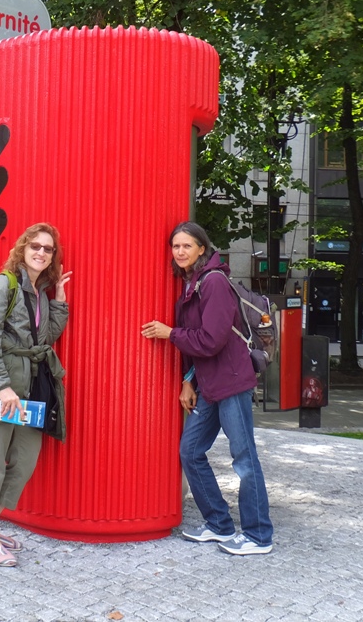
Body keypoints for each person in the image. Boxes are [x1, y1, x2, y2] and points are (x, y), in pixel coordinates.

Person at [141, 221, 273, 556]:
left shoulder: (213, 282)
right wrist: (189, 380)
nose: (180, 252)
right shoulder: (192, 283)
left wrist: (168, 333)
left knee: (243, 458)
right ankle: (219, 524)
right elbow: (202, 344)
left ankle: (259, 536)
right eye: (175, 246)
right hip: (209, 383)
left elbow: (211, 340)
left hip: (231, 382)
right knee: (190, 451)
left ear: (203, 248)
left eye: (187, 246)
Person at [0, 222, 72, 567]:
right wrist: (2, 386)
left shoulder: (40, 294)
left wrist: (61, 301)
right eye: (34, 245)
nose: (40, 252)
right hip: (0, 390)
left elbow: (44, 339)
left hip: (29, 389)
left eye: (47, 249)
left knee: (23, 461)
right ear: (22, 249)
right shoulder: (1, 285)